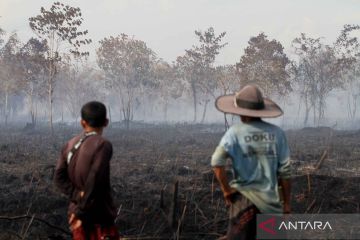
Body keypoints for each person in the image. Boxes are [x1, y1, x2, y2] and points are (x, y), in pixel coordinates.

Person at [211, 85, 291, 240]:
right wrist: (287, 203)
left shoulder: (234, 133)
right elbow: (285, 172)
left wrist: (226, 191)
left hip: (243, 203)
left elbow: (216, 163)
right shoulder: (278, 133)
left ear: (241, 112)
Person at [54, 101, 119, 240]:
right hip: (98, 217)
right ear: (106, 122)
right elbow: (94, 178)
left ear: (82, 123)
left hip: (76, 216)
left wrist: (77, 196)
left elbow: (58, 177)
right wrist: (81, 212)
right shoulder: (103, 145)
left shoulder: (69, 144)